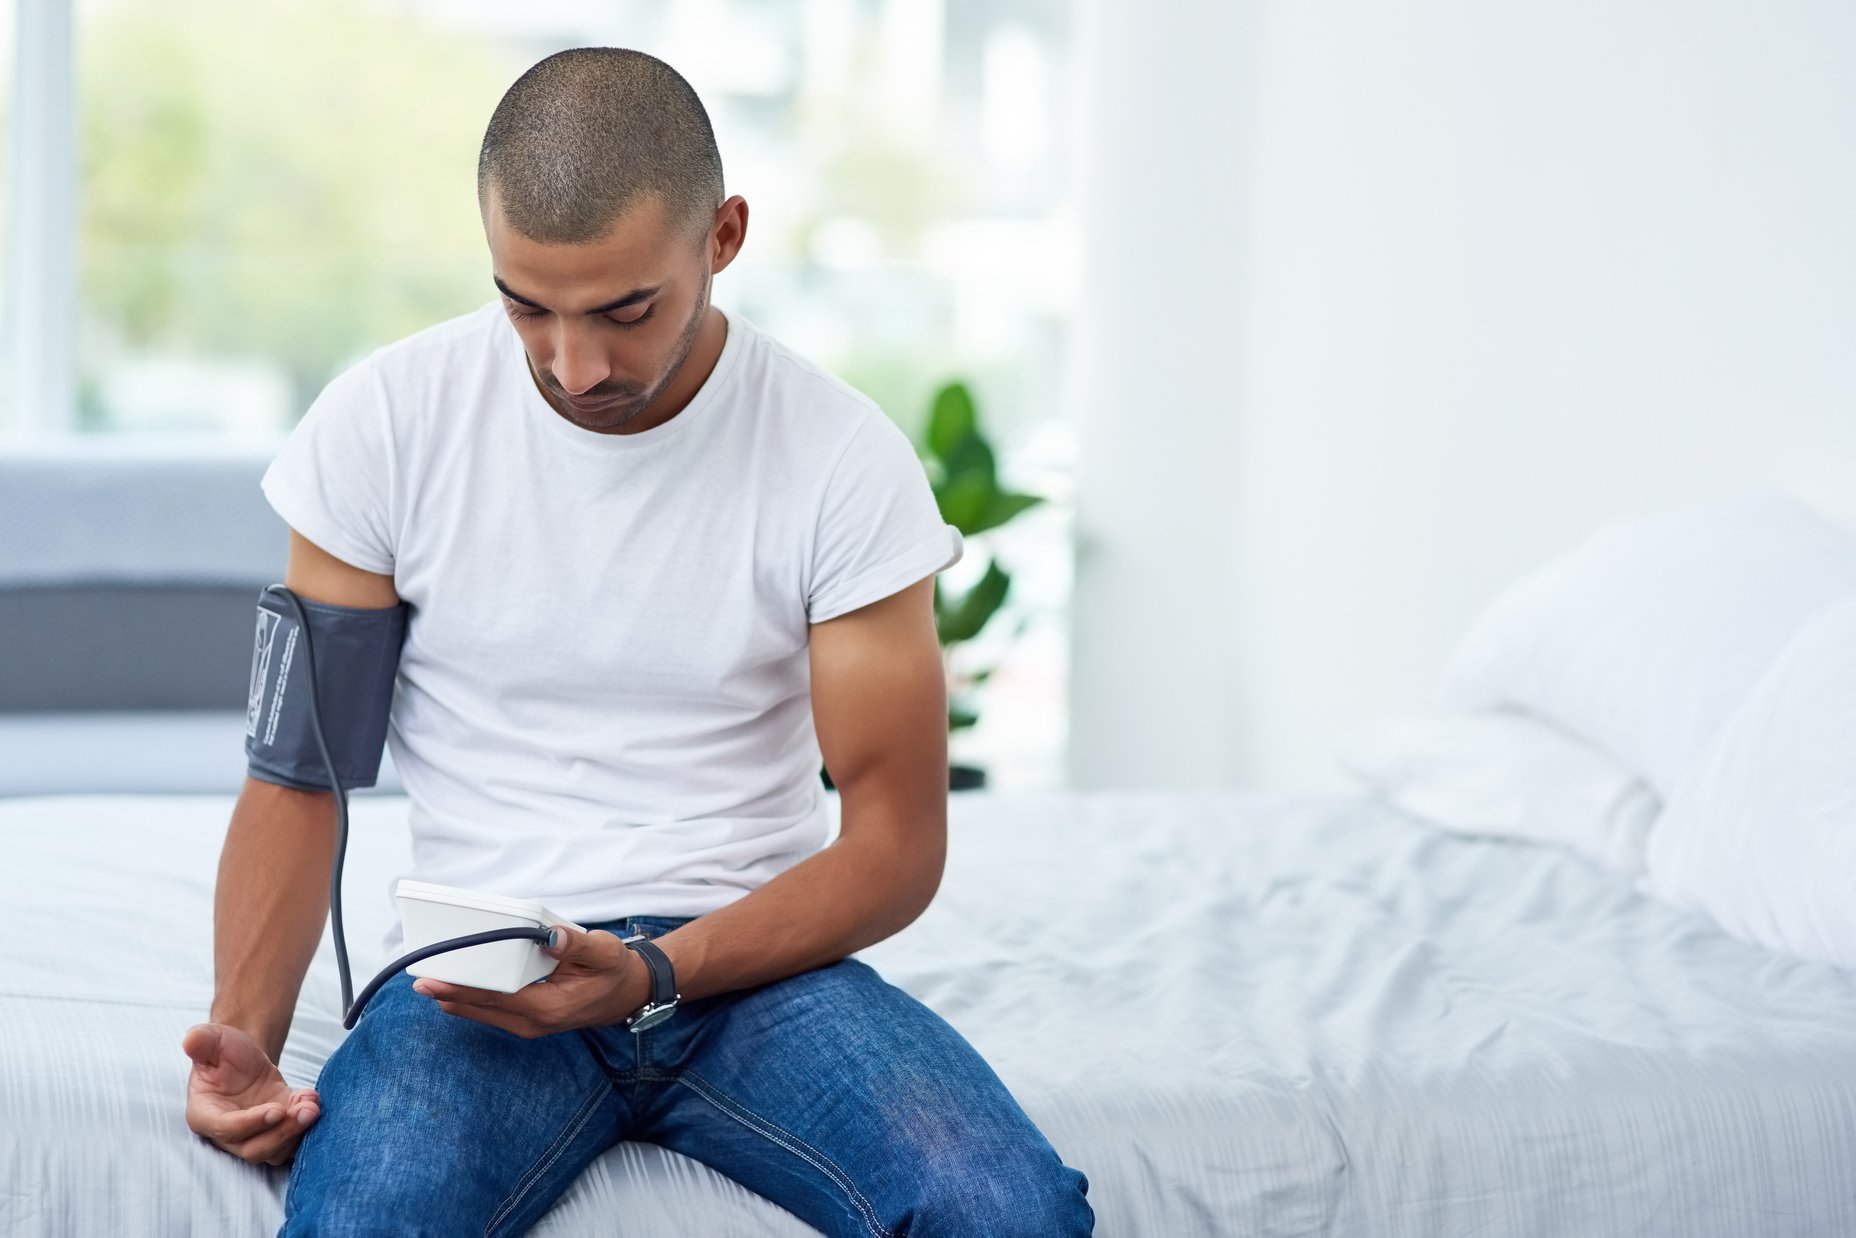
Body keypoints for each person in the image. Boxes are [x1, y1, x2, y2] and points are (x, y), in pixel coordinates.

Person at [178, 46, 1094, 1238]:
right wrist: (244, 1040)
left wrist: (658, 971)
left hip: (757, 969)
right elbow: (299, 776)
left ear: (723, 236)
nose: (575, 365)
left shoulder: (838, 459)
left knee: (1009, 1207)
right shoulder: (383, 424)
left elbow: (895, 842)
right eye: (527, 305)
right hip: (484, 971)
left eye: (624, 310)